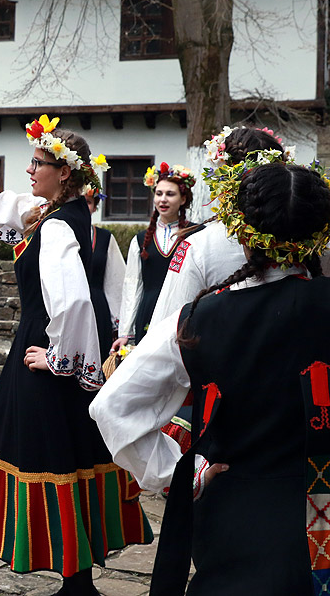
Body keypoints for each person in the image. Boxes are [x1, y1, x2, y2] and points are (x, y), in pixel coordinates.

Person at [90, 154, 330, 594]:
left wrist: (177, 471)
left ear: (241, 233)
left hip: (238, 516)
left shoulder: (199, 320)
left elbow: (111, 405)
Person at [0, 106, 151, 596]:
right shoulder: (51, 214)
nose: (29, 169)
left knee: (51, 457)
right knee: (73, 455)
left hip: (49, 354)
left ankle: (76, 577)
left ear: (64, 173)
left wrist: (58, 357)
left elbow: (79, 301)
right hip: (74, 356)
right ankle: (77, 576)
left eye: (38, 162)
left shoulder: (58, 226)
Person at [148, 127, 285, 327]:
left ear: (223, 179)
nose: (163, 200)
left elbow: (167, 326)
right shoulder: (310, 240)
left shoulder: (198, 245)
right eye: (159, 194)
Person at [113, 163, 199, 350]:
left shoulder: (197, 235)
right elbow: (132, 286)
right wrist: (126, 333)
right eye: (159, 194)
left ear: (183, 198)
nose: (163, 199)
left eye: (170, 194)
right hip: (149, 312)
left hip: (184, 312)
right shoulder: (141, 240)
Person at [83, 187, 124, 356]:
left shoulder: (105, 238)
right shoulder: (58, 233)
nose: (83, 207)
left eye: (88, 202)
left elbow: (116, 282)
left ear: (94, 207)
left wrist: (119, 324)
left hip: (97, 309)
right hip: (64, 308)